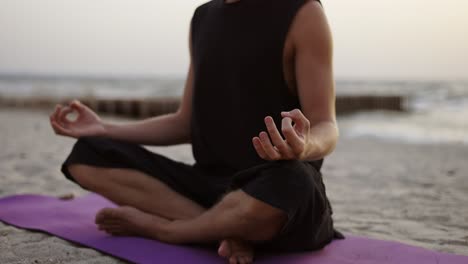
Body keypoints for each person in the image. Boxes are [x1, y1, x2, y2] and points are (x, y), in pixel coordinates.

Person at [49, 0, 342, 263]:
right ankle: (222, 230)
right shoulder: (203, 18)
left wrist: (304, 146)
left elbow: (326, 125)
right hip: (208, 189)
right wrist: (104, 128)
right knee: (88, 152)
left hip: (270, 192)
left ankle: (169, 229)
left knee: (294, 182)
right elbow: (185, 123)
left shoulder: (304, 13)